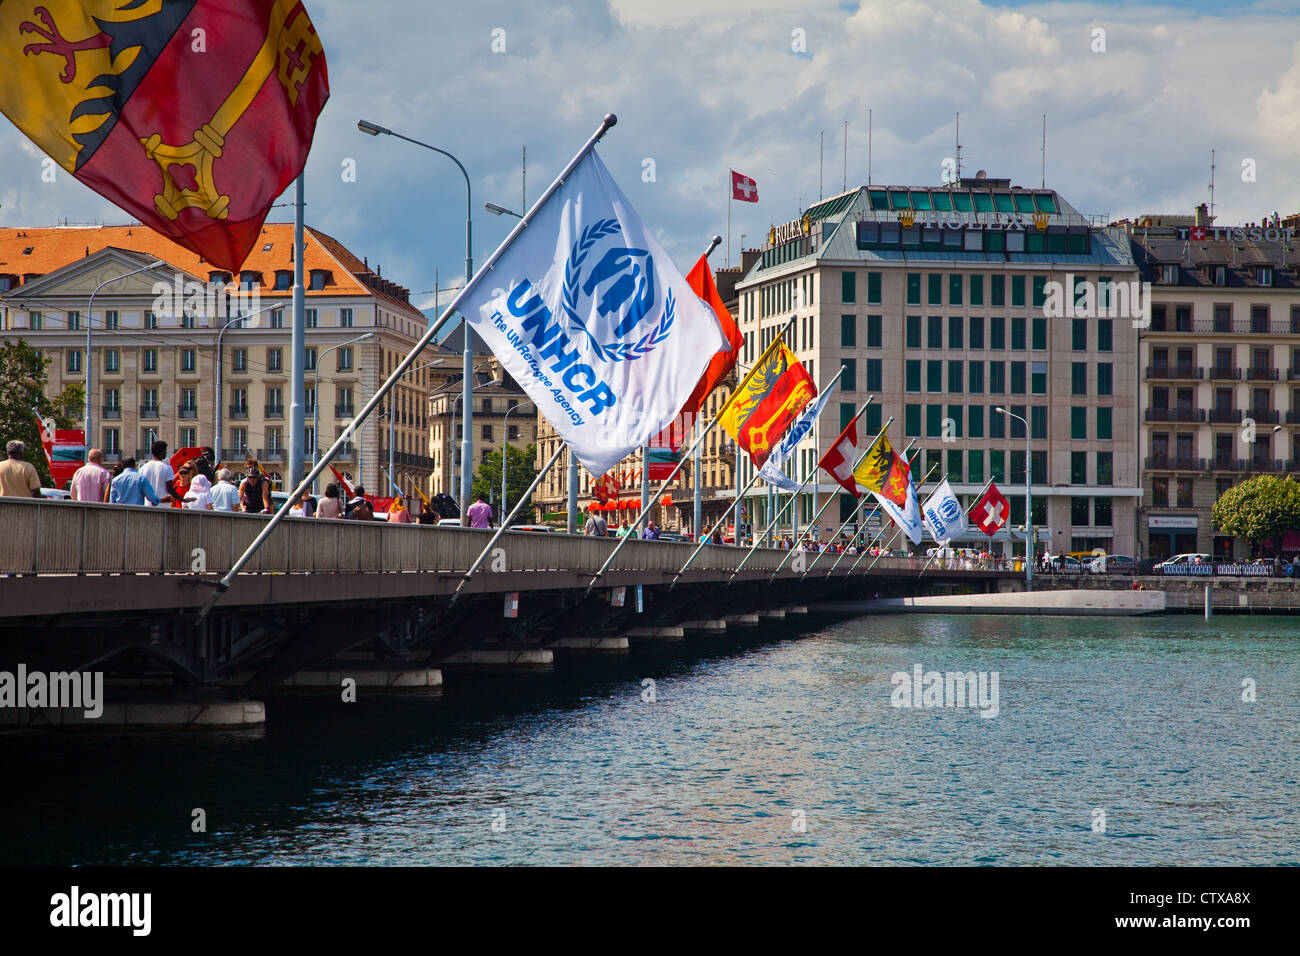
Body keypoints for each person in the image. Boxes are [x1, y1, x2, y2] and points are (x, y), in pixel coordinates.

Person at [138, 440, 175, 507]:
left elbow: (140, 488)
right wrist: (182, 499)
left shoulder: (143, 468)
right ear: (162, 452)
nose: (166, 453)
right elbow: (170, 489)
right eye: (165, 451)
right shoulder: (167, 468)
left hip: (147, 505)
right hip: (163, 506)